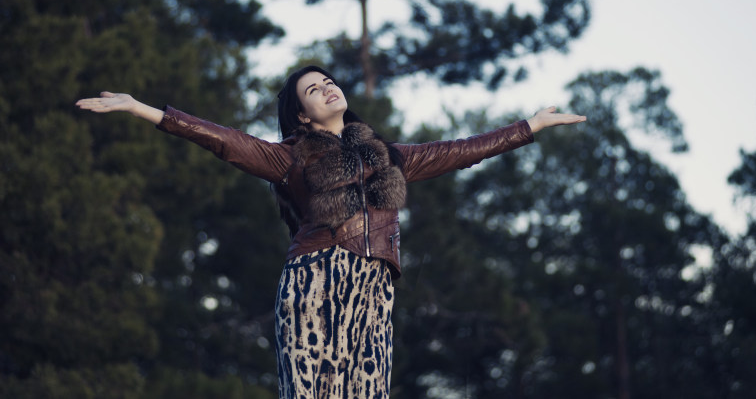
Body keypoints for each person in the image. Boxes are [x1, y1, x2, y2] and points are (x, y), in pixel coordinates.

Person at [75, 65, 586, 399]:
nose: (327, 88)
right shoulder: (289, 157)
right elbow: (226, 142)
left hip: (375, 288)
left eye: (328, 81)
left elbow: (457, 151)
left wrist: (529, 127)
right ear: (302, 113)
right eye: (313, 89)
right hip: (315, 280)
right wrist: (144, 109)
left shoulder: (389, 156)